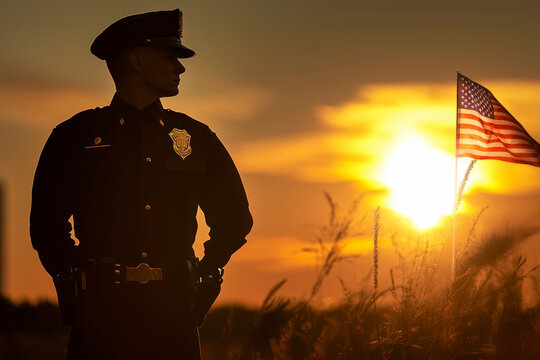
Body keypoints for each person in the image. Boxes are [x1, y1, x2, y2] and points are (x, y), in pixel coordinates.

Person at [29, 9, 253, 360]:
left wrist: (205, 277)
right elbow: (45, 227)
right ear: (137, 60)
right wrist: (80, 282)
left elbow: (234, 220)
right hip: (100, 324)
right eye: (170, 57)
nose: (181, 68)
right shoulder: (74, 137)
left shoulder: (194, 137)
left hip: (174, 322)